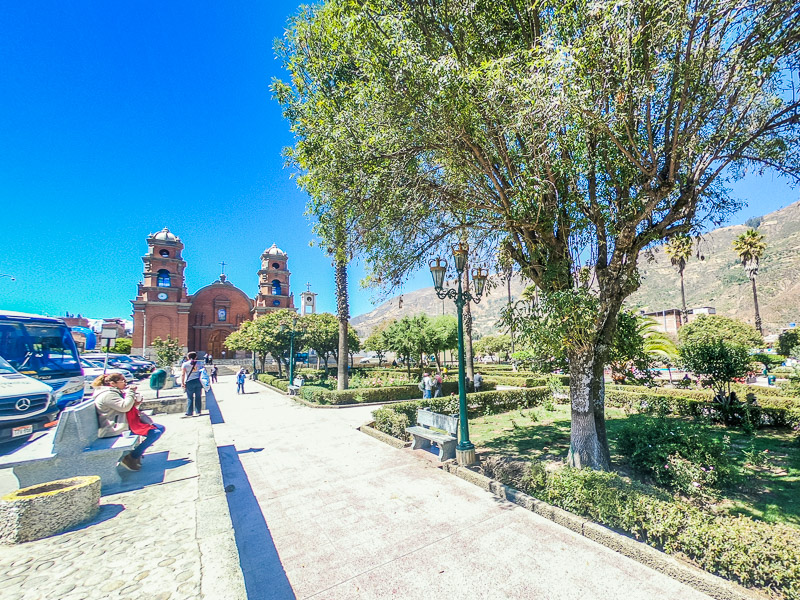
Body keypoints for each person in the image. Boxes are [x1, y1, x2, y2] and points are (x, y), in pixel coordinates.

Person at [92, 373, 164, 471]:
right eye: (123, 381)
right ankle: (131, 457)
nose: (126, 383)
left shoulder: (114, 392)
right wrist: (131, 392)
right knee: (155, 433)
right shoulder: (108, 395)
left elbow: (125, 408)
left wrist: (135, 404)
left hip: (124, 423)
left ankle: (136, 453)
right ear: (112, 383)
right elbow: (124, 407)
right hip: (115, 428)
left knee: (160, 428)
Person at [181, 351, 204, 416]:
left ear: (188, 357)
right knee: (198, 397)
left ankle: (189, 412)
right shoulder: (200, 363)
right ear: (196, 357)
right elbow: (203, 373)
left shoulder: (185, 364)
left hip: (189, 381)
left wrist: (182, 383)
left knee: (190, 397)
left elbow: (183, 374)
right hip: (198, 381)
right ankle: (198, 411)